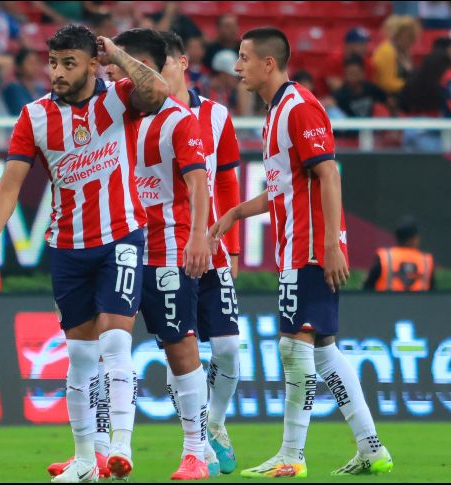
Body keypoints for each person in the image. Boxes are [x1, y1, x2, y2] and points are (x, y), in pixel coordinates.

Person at [0, 24, 170, 483]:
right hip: (67, 246)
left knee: (117, 342)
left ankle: (120, 446)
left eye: (69, 63)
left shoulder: (119, 98)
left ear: (91, 63)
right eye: (53, 63)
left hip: (121, 236)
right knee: (81, 357)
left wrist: (117, 55)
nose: (58, 73)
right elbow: (11, 180)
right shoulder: (34, 116)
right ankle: (87, 458)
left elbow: (159, 91)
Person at [211, 27, 393, 478]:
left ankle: (292, 455)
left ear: (268, 63)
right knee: (325, 350)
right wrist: (234, 213)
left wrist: (331, 244)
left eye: (244, 57)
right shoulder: (277, 113)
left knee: (294, 349)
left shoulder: (299, 107)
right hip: (299, 245)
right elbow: (282, 189)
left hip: (311, 248)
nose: (238, 67)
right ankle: (371, 448)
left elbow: (329, 174)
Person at [113, 28, 210, 480]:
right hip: (118, 245)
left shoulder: (178, 119)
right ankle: (104, 450)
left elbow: (197, 183)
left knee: (179, 347)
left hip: (166, 248)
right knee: (105, 345)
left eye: (123, 64)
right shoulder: (114, 111)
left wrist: (197, 236)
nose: (114, 71)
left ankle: (196, 450)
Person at [161, 30, 243, 478]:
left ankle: (215, 424)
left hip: (210, 247)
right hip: (167, 250)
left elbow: (228, 181)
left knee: (228, 347)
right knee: (182, 347)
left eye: (163, 64)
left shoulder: (215, 116)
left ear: (181, 63)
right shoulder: (146, 118)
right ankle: (195, 442)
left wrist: (229, 241)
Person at [364, 216, 435, 292]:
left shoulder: (385, 257)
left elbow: (367, 289)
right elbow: (434, 295)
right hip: (419, 304)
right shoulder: (426, 260)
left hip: (386, 303)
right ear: (415, 238)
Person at [371, 15, 420, 97]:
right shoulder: (386, 51)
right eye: (408, 37)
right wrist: (413, 86)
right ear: (396, 35)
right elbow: (386, 83)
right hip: (386, 97)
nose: (411, 41)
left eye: (412, 37)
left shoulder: (405, 51)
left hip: (403, 94)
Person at [3, 49, 49, 115]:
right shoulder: (13, 88)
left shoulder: (39, 88)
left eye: (37, 62)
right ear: (19, 67)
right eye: (30, 63)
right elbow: (24, 112)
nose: (35, 66)